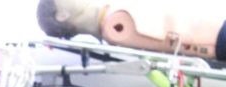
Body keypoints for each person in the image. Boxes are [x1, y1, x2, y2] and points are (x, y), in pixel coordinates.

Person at [37, 0, 226, 62]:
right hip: (215, 36)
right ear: (61, 15)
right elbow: (172, 36)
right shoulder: (115, 26)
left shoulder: (112, 24)